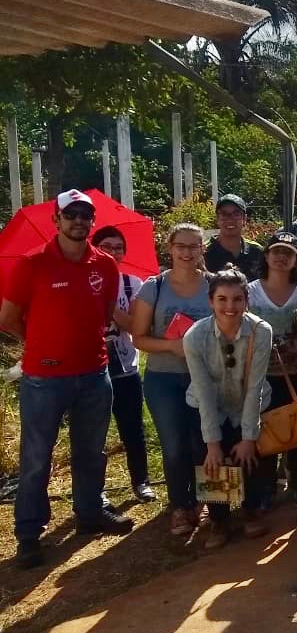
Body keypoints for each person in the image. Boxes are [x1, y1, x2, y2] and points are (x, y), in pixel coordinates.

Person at [1, 190, 133, 567]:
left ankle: (89, 514)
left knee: (91, 452)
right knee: (37, 458)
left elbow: (105, 310)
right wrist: (39, 344)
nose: (79, 220)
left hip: (94, 373)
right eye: (70, 214)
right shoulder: (32, 264)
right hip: (44, 378)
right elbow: (8, 318)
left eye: (85, 215)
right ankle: (29, 533)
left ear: (92, 221)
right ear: (55, 220)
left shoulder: (105, 265)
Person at [184, 267, 273, 549]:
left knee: (250, 454)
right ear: (211, 301)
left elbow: (255, 387)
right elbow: (204, 391)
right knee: (210, 459)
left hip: (250, 401)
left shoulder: (261, 331)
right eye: (222, 299)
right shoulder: (194, 337)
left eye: (237, 299)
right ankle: (219, 519)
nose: (229, 307)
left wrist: (248, 437)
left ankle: (251, 508)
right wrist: (212, 442)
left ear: (246, 300)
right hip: (209, 405)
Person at [132, 223, 211, 538]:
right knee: (175, 446)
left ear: (202, 249)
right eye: (181, 245)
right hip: (163, 378)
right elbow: (138, 337)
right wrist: (171, 346)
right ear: (170, 247)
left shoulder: (214, 285)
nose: (187, 252)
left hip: (206, 378)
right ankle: (180, 505)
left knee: (208, 443)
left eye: (194, 246)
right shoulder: (154, 287)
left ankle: (213, 504)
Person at [247, 232, 297, 517]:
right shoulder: (249, 291)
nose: (281, 257)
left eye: (288, 253)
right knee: (264, 429)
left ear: (296, 259)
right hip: (260, 374)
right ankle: (266, 488)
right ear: (266, 255)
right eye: (276, 251)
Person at [91, 226, 155, 502]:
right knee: (94, 433)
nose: (113, 252)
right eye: (106, 246)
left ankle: (141, 481)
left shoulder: (132, 284)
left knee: (133, 428)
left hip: (126, 367)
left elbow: (134, 326)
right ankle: (96, 490)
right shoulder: (83, 281)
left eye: (118, 247)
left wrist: (109, 305)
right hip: (91, 368)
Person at [205, 193, 265, 281]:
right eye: (224, 214)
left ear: (244, 219)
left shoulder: (257, 251)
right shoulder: (204, 252)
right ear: (217, 219)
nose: (230, 219)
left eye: (236, 214)